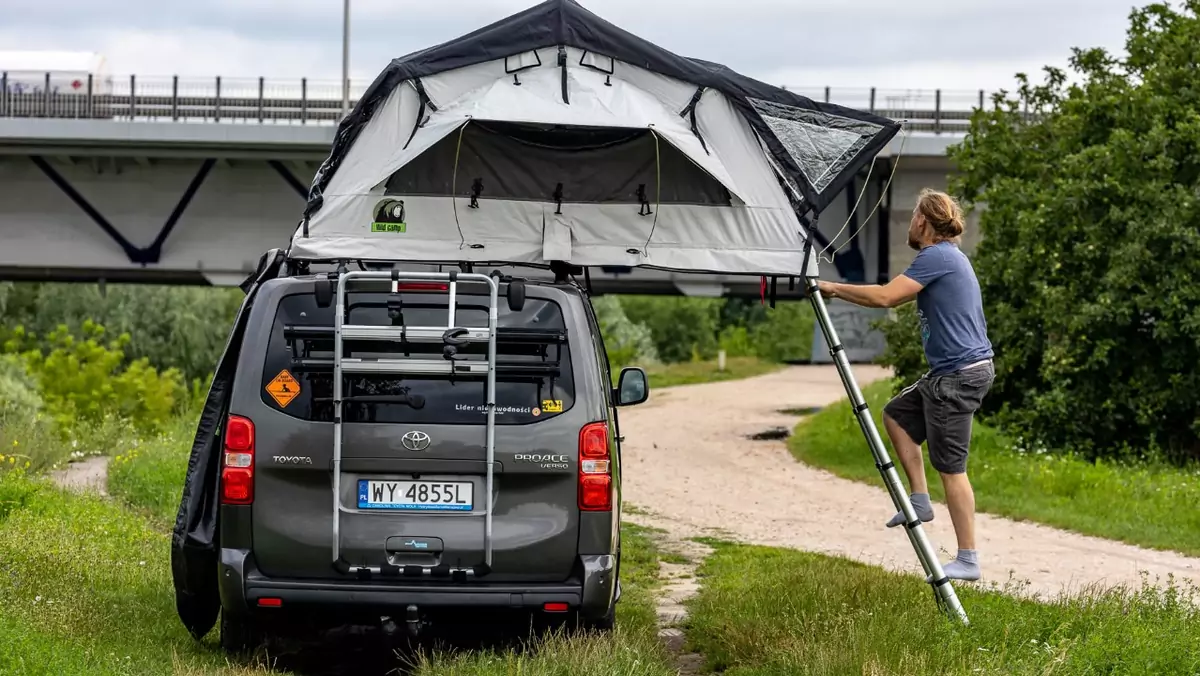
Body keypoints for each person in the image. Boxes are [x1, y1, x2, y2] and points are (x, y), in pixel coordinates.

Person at [813, 188, 994, 581]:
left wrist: (831, 287)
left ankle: (968, 558)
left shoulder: (937, 256)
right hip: (953, 372)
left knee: (952, 468)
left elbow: (886, 298)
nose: (910, 223)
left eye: (914, 216)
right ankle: (919, 501)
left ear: (924, 222)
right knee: (896, 415)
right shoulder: (946, 258)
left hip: (958, 376)